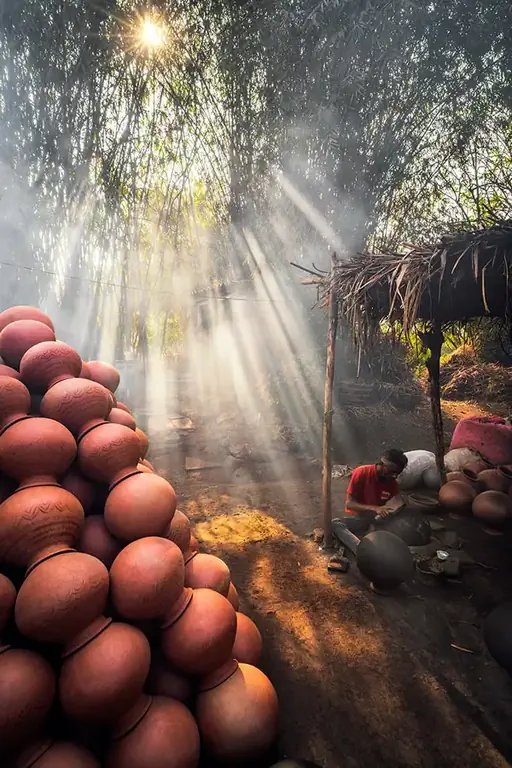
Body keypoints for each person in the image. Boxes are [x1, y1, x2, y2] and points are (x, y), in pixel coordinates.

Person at [334, 448, 408, 536]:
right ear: (383, 464)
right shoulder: (362, 472)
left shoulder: (392, 483)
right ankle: (358, 544)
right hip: (358, 516)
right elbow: (349, 504)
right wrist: (375, 508)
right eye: (392, 471)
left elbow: (395, 502)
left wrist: (394, 508)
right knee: (335, 524)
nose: (395, 476)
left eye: (398, 473)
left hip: (376, 519)